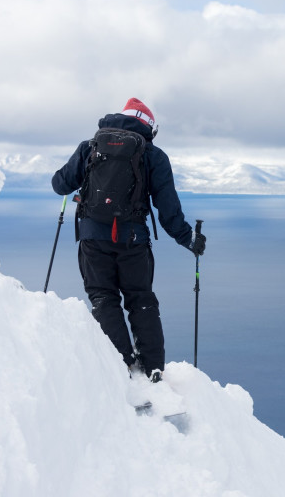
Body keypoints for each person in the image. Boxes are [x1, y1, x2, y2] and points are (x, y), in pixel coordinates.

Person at [52, 98, 206, 382]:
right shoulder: (154, 156)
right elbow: (168, 209)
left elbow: (59, 184)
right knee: (141, 300)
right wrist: (189, 239)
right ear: (149, 127)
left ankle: (123, 364)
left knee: (103, 298)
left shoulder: (90, 146)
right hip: (133, 241)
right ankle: (153, 369)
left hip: (92, 239)